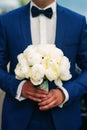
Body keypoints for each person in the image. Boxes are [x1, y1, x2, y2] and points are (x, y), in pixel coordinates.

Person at [0, 0, 87, 130]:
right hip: (18, 119)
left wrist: (65, 93)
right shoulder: (6, 21)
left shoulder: (77, 21)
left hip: (64, 119)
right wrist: (19, 87)